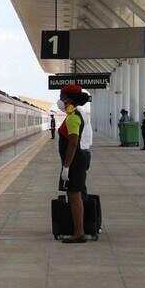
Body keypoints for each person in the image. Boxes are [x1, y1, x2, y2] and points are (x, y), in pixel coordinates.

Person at [57, 84, 92, 244]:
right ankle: (79, 229)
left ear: (69, 100)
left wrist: (66, 167)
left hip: (75, 161)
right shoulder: (75, 114)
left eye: (62, 98)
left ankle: (79, 233)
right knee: (77, 194)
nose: (61, 101)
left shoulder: (73, 117)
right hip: (77, 160)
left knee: (74, 195)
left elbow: (72, 143)